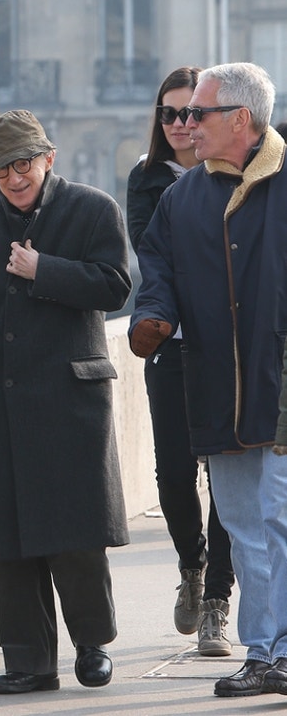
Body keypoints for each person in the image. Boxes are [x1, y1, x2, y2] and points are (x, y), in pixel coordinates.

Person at [0, 109, 132, 694]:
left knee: (73, 534)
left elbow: (116, 284)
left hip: (69, 400)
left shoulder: (93, 209)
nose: (13, 178)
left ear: (48, 157)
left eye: (23, 164)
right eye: (1, 169)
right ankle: (27, 661)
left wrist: (41, 268)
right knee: (10, 540)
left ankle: (92, 645)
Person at [129, 62, 287, 698]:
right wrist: (152, 317)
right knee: (246, 523)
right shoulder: (181, 196)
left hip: (279, 377)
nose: (184, 125)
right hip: (216, 380)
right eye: (184, 114)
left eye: (199, 114)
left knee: (275, 516)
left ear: (241, 120)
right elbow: (157, 267)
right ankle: (264, 650)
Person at [126, 66, 235, 657]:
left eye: (189, 113)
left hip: (224, 343)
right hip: (166, 339)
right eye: (167, 114)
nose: (178, 124)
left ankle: (218, 597)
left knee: (225, 474)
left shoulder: (237, 175)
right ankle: (190, 565)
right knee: (173, 472)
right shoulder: (146, 181)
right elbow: (152, 253)